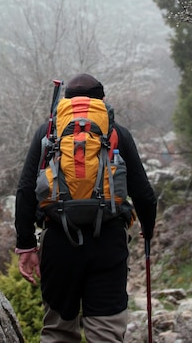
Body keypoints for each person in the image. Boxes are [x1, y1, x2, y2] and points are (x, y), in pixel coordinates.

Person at [15, 73, 157, 343]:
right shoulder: (116, 133)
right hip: (108, 242)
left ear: (64, 102)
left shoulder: (48, 133)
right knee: (106, 333)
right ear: (102, 101)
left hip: (58, 241)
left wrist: (26, 245)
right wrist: (148, 231)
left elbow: (25, 191)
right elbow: (144, 194)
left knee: (58, 332)